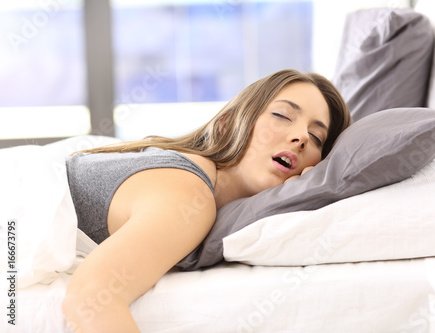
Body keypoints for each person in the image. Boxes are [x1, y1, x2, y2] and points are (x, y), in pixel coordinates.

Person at [62, 69, 351, 332]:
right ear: (226, 125)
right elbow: (90, 302)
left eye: (316, 137)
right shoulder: (191, 196)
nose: (301, 137)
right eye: (283, 116)